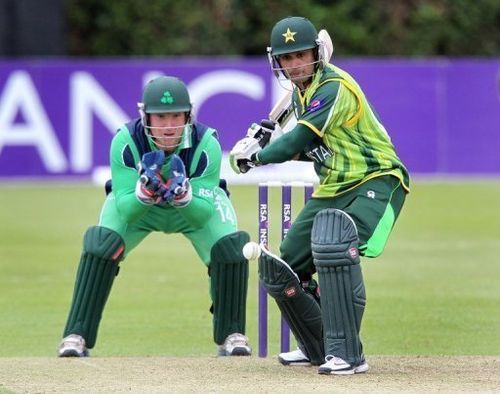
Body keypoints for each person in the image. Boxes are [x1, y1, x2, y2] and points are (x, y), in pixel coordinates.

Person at [230, 16, 410, 375]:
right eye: (287, 58)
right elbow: (307, 148)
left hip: (376, 178)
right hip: (333, 185)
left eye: (301, 55)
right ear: (276, 62)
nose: (295, 64)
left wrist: (256, 156)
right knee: (287, 263)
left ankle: (348, 354)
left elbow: (298, 141)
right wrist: (261, 145)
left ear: (316, 52)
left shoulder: (333, 87)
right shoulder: (301, 95)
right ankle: (317, 344)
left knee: (334, 246)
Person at [58, 76, 252, 357]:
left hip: (191, 208)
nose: (169, 125)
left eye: (176, 116)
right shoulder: (126, 141)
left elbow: (202, 215)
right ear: (145, 116)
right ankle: (76, 335)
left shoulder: (206, 142)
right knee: (100, 244)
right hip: (141, 210)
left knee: (232, 248)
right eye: (160, 118)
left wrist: (184, 195)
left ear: (189, 115)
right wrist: (142, 194)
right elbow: (125, 208)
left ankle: (232, 335)